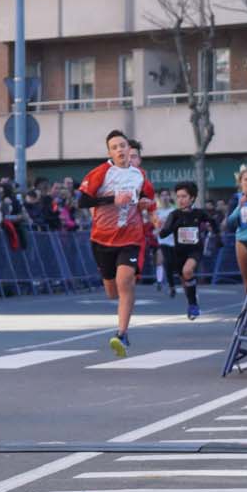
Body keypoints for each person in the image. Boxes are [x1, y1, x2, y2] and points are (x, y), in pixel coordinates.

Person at [76, 133, 156, 357]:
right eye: (114, 147)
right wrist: (112, 199)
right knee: (112, 291)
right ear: (109, 152)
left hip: (130, 237)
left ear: (129, 148)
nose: (120, 150)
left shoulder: (139, 175)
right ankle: (121, 318)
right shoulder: (101, 172)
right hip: (102, 238)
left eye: (122, 145)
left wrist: (147, 205)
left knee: (125, 282)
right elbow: (82, 201)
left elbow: (148, 199)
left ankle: (122, 333)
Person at [158, 181, 216, 318]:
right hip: (179, 252)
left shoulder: (198, 213)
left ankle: (193, 305)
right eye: (178, 197)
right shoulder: (174, 215)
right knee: (185, 280)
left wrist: (217, 236)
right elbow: (163, 233)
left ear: (192, 198)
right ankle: (192, 302)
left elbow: (212, 222)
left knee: (187, 270)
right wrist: (173, 226)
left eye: (184, 196)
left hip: (195, 250)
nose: (180, 200)